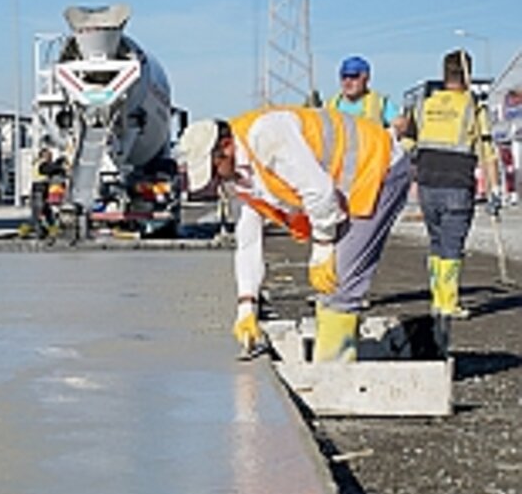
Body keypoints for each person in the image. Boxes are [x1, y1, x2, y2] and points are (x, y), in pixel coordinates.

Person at [179, 107, 409, 362]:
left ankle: (331, 371)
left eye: (214, 171)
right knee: (329, 285)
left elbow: (319, 193)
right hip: (344, 191)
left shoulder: (266, 136)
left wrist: (323, 246)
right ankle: (335, 354)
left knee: (339, 283)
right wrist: (247, 305)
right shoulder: (237, 176)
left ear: (226, 147)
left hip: (378, 168)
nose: (215, 181)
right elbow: (248, 241)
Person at [413, 49, 502, 355]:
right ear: (467, 75)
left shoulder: (426, 104)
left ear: (444, 74)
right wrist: (494, 190)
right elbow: (487, 152)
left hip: (427, 183)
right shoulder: (473, 107)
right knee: (452, 245)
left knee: (436, 243)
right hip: (456, 184)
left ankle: (438, 299)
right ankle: (447, 304)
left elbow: (412, 142)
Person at [327, 56, 402, 130]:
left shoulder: (379, 103)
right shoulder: (329, 105)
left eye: (354, 76)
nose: (348, 82)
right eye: (344, 77)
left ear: (366, 78)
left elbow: (400, 125)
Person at [29, 148, 67, 238]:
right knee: (40, 212)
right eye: (49, 156)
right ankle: (40, 232)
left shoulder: (40, 163)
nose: (51, 157)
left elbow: (52, 167)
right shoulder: (42, 164)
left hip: (40, 190)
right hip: (39, 190)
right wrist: (62, 168)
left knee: (46, 211)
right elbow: (50, 169)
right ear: (44, 156)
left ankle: (49, 230)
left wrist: (58, 163)